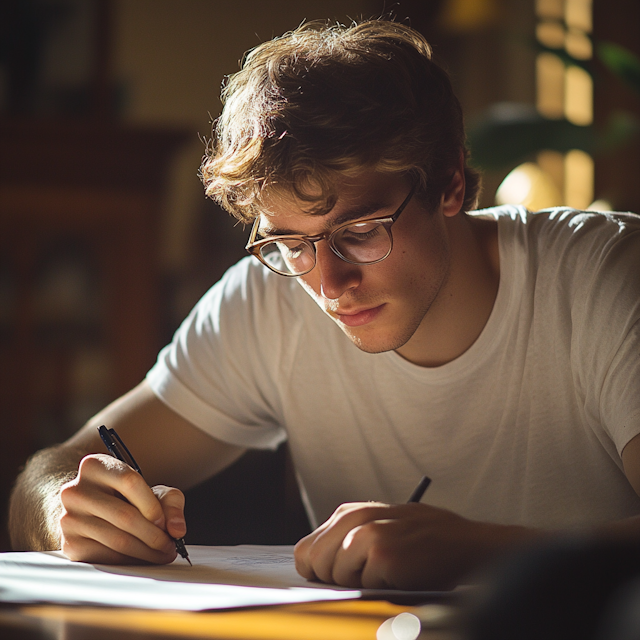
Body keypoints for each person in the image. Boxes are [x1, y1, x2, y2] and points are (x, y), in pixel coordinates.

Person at [8, 18, 640, 591]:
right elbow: (47, 471)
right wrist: (67, 512)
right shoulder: (272, 297)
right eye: (289, 242)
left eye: (360, 232)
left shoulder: (604, 278)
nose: (328, 283)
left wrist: (483, 552)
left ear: (449, 181)